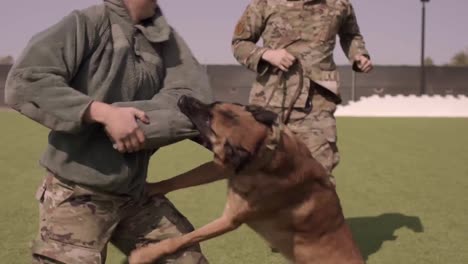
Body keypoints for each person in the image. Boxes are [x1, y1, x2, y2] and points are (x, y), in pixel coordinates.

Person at [5, 0, 211, 263]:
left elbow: (194, 102)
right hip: (76, 191)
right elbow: (25, 82)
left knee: (186, 259)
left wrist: (137, 125)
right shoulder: (85, 23)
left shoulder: (166, 40)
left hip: (136, 193)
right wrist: (103, 114)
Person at [232, 0, 373, 180]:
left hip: (317, 105)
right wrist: (268, 55)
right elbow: (240, 43)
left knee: (318, 175)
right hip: (270, 102)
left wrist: (358, 55)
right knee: (261, 174)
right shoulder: (265, 3)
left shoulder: (340, 5)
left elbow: (350, 34)